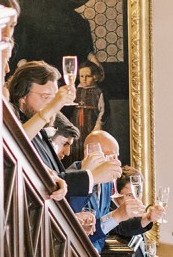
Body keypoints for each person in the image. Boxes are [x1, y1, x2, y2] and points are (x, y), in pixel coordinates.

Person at [7, 61, 118, 204]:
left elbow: (57, 182)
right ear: (22, 97)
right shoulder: (21, 132)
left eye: (55, 98)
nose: (54, 104)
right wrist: (92, 176)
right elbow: (17, 144)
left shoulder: (40, 133)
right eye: (46, 97)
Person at [10, 0, 95, 72]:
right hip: (34, 63)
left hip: (63, 62)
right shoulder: (24, 0)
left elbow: (78, 24)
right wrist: (22, 62)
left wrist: (90, 55)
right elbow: (18, 31)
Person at [72, 59, 107, 161]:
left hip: (91, 124)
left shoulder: (98, 92)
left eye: (88, 76)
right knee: (75, 146)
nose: (84, 79)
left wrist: (98, 125)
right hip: (76, 123)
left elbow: (103, 111)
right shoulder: (75, 90)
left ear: (95, 77)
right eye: (82, 76)